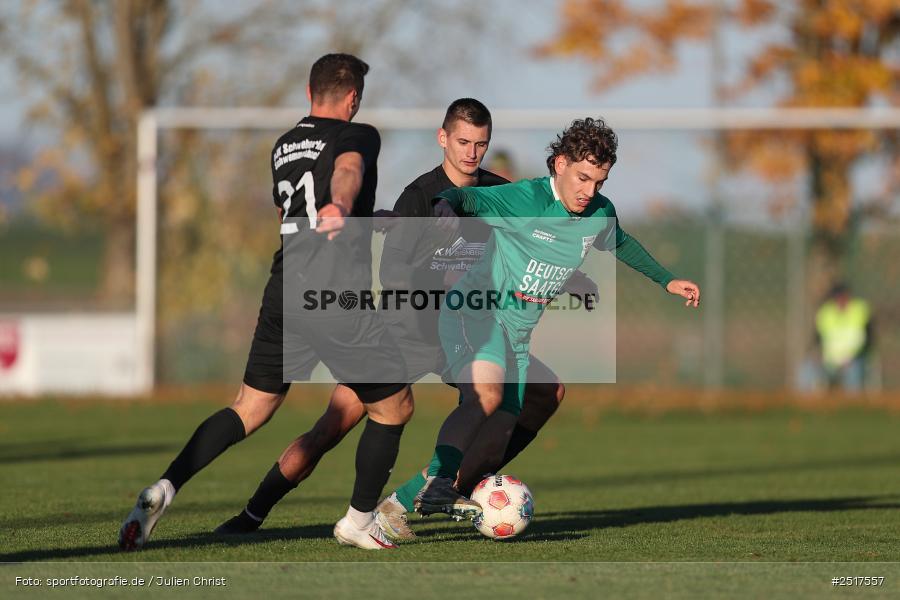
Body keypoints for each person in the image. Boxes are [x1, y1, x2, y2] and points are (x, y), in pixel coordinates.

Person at [214, 98, 577, 542]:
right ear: (443, 138)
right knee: (332, 427)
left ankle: (450, 488)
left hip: (468, 332)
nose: (471, 153)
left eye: (481, 144)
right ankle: (252, 513)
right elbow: (394, 277)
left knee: (542, 393)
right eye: (463, 141)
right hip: (407, 332)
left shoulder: (496, 194)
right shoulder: (419, 196)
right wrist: (438, 261)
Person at [118, 53, 413, 551]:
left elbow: (291, 206)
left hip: (285, 289)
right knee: (394, 409)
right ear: (353, 99)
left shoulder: (283, 145)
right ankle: (358, 521)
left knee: (249, 408)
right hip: (334, 294)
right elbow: (346, 170)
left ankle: (165, 486)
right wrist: (342, 205)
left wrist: (360, 214)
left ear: (307, 92)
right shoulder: (359, 134)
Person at [401, 117, 701, 517]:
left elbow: (621, 241)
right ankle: (439, 484)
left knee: (499, 435)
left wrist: (666, 281)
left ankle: (403, 504)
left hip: (515, 335)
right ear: (560, 164)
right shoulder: (525, 199)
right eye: (582, 178)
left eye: (598, 182)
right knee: (487, 395)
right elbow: (464, 198)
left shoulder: (597, 212)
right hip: (476, 314)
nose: (588, 190)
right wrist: (444, 209)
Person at [814, 283, 874, 392]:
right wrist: (818, 356)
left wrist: (853, 357)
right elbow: (818, 339)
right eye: (838, 297)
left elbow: (869, 340)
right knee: (808, 370)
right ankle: (812, 406)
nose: (841, 300)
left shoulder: (860, 310)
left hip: (854, 359)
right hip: (830, 360)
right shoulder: (826, 313)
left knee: (853, 372)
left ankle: (852, 404)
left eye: (843, 297)